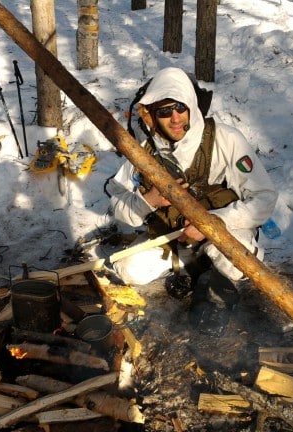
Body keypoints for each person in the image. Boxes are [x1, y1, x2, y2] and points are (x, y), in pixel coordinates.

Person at [106, 67, 277, 335]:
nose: (174, 118)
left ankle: (214, 267)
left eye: (180, 108)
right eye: (164, 111)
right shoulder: (143, 152)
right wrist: (149, 200)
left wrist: (215, 223)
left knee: (238, 266)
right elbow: (116, 207)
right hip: (174, 240)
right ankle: (192, 266)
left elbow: (264, 199)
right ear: (151, 115)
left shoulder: (226, 138)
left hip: (223, 234)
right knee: (128, 270)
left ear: (191, 106)